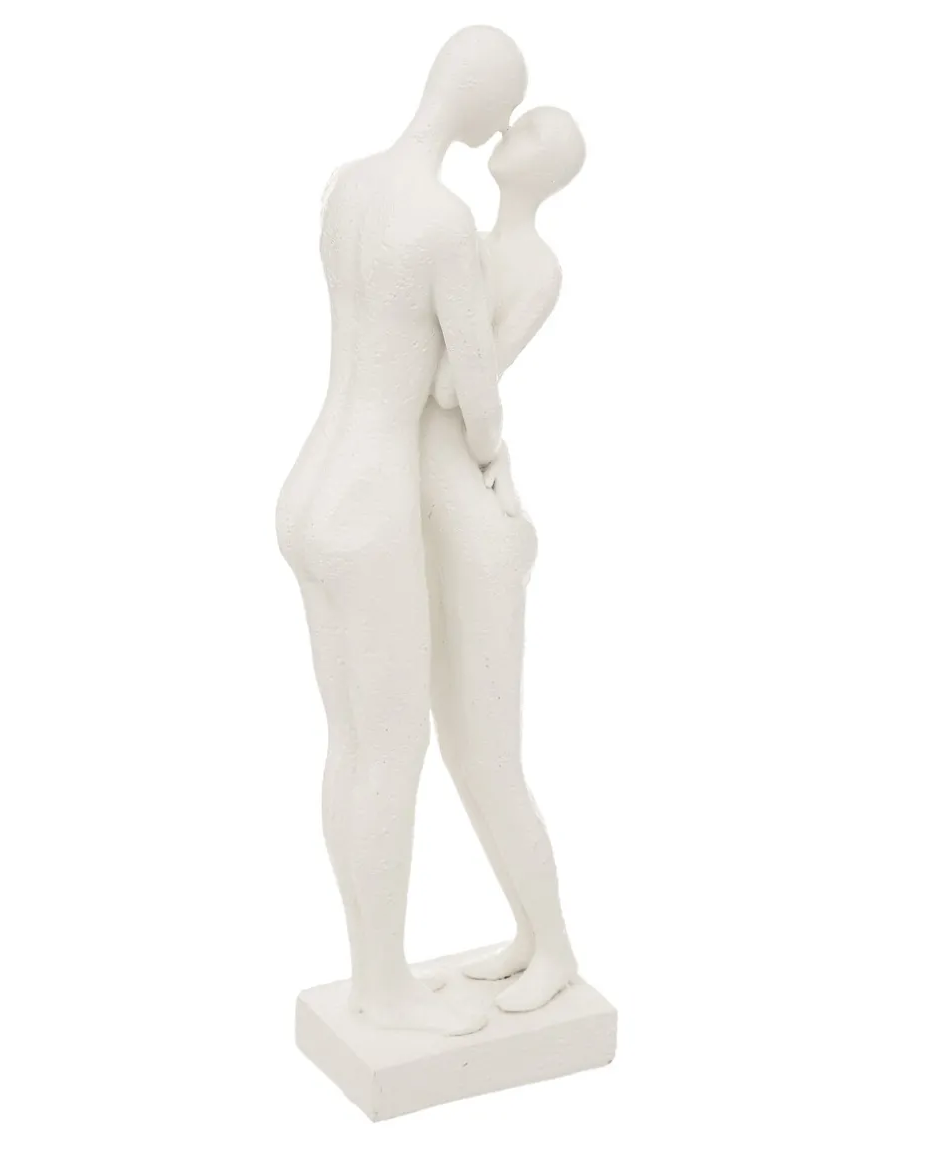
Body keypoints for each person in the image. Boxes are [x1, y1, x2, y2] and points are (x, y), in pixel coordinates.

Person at [276, 27, 527, 1035]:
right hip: (373, 503)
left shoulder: (349, 186)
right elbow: (469, 387)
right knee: (388, 752)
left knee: (351, 748)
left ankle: (370, 973)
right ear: (484, 109)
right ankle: (381, 986)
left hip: (310, 483)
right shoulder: (443, 221)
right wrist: (491, 454)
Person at [421, 106, 588, 1012]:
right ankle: (527, 934)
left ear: (552, 169)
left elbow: (457, 386)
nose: (509, 131)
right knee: (460, 749)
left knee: (491, 755)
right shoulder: (471, 244)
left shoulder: (534, 266)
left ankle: (555, 947)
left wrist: (496, 450)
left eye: (531, 131)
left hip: (478, 524)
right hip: (450, 502)